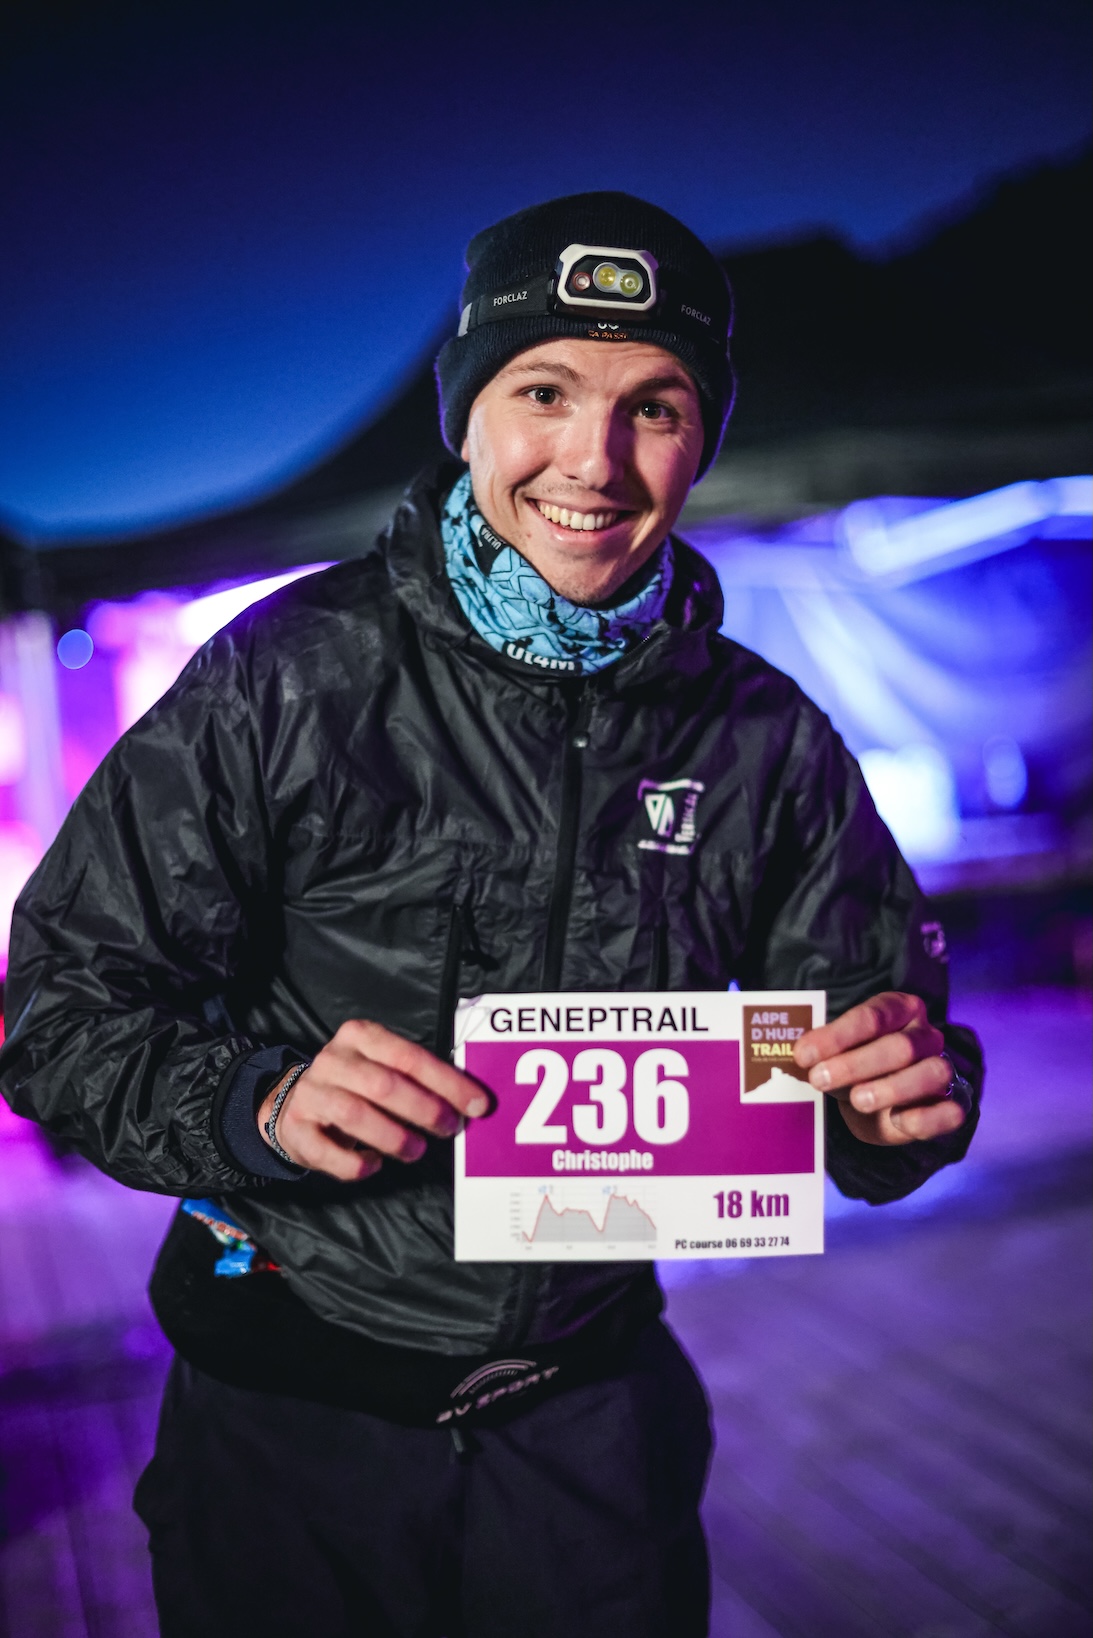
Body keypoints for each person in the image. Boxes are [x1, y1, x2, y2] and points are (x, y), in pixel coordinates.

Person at [0, 192, 980, 1638]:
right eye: (544, 392)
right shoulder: (288, 676)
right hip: (288, 1427)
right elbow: (58, 1008)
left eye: (654, 407)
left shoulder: (764, 738)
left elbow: (878, 1039)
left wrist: (905, 1099)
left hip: (591, 1437)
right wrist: (255, 1103)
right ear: (467, 416)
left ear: (701, 438)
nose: (594, 459)